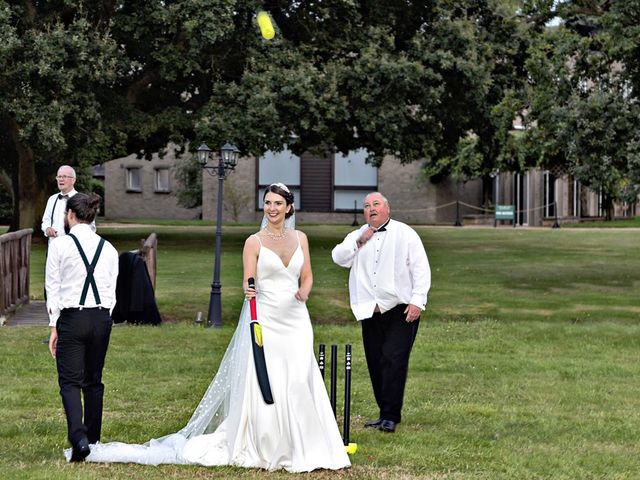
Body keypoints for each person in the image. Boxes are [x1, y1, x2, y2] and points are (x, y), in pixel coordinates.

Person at [82, 183, 350, 472]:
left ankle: (304, 443)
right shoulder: (254, 241)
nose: (271, 208)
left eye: (277, 203)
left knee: (298, 377)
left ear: (288, 207)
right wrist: (250, 289)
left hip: (296, 318)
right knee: (268, 377)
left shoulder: (300, 238)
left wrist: (304, 292)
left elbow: (307, 275)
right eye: (267, 203)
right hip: (267, 317)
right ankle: (266, 442)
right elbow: (249, 279)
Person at [331, 192, 431, 433]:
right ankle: (383, 411)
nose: (371, 209)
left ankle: (390, 415)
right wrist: (358, 240)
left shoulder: (405, 233)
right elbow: (338, 258)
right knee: (376, 361)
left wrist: (418, 301)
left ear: (387, 208)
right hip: (369, 311)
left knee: (394, 359)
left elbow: (421, 269)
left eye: (376, 204)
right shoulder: (356, 236)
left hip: (401, 309)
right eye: (367, 206)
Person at [47, 193, 119, 462]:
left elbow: (52, 287)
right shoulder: (108, 248)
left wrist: (54, 325)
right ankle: (94, 439)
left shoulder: (60, 245)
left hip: (72, 317)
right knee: (94, 380)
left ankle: (79, 438)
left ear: (70, 215)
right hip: (101, 318)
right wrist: (105, 316)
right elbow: (112, 290)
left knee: (69, 381)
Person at [41, 165, 95, 241]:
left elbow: (91, 227)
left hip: (74, 248)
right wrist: (47, 229)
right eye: (59, 177)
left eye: (64, 176)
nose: (61, 179)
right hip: (54, 246)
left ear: (73, 180)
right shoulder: (52, 199)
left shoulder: (83, 200)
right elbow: (46, 221)